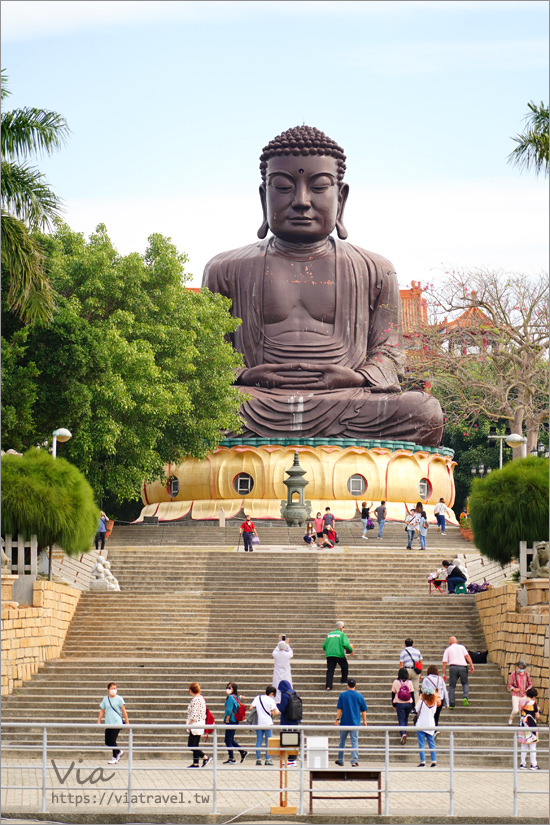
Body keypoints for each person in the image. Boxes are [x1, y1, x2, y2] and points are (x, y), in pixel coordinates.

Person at [202, 126, 444, 446]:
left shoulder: (375, 269)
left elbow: (390, 351)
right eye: (283, 186)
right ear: (264, 197)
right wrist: (244, 375)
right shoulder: (225, 269)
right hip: (255, 402)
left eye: (318, 187)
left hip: (345, 401)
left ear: (340, 198)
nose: (301, 201)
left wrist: (357, 377)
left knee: (424, 411)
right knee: (190, 410)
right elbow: (206, 358)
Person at [335, 677, 367, 767]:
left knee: (342, 741)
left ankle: (341, 760)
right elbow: (363, 710)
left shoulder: (342, 695)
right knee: (354, 741)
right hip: (355, 723)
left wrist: (337, 719)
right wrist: (364, 721)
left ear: (347, 685)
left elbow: (339, 709)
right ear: (356, 685)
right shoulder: (359, 696)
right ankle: (354, 760)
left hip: (344, 722)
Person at [97, 681, 129, 764]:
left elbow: (124, 711)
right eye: (112, 688)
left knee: (112, 740)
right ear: (108, 690)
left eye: (115, 688)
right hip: (108, 722)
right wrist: (99, 720)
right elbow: (102, 710)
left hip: (117, 722)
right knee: (107, 741)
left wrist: (127, 722)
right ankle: (118, 752)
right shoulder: (105, 699)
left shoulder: (119, 699)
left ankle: (115, 757)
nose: (114, 690)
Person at [442, 636, 475, 708]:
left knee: (452, 686)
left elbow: (444, 662)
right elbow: (467, 656)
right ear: (456, 642)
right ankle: (465, 697)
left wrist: (444, 673)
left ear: (449, 643)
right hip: (463, 667)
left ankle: (452, 703)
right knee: (465, 683)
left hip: (453, 667)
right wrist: (472, 665)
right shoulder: (462, 647)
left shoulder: (448, 649)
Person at [250, 685, 279, 766]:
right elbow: (276, 712)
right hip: (268, 723)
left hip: (258, 723)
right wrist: (271, 712)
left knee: (259, 740)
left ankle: (258, 759)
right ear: (272, 693)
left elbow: (251, 707)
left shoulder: (258, 697)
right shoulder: (271, 700)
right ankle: (267, 759)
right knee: (268, 742)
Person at [277, 678, 302, 766]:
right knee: (294, 739)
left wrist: (277, 705)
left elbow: (283, 708)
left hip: (287, 720)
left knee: (288, 739)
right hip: (295, 719)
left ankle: (290, 759)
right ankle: (293, 758)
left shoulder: (285, 695)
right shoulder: (295, 693)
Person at [186, 682, 211, 768]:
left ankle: (205, 757)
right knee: (195, 744)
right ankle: (195, 763)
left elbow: (194, 713)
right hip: (201, 722)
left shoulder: (195, 699)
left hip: (195, 723)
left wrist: (190, 723)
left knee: (191, 744)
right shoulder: (201, 698)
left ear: (190, 690)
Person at [323, 621, 353, 690]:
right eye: (343, 627)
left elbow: (324, 646)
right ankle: (343, 680)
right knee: (344, 666)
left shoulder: (329, 634)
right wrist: (351, 651)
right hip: (339, 654)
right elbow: (346, 645)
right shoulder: (342, 635)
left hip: (330, 655)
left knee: (330, 670)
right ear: (341, 627)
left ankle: (328, 686)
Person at [223, 682, 248, 765]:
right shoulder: (235, 697)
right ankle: (242, 752)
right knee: (229, 739)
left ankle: (232, 758)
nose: (228, 689)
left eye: (229, 688)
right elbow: (237, 701)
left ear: (233, 689)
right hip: (235, 721)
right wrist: (240, 698)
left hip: (230, 720)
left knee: (228, 740)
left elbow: (229, 709)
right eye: (227, 687)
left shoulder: (230, 697)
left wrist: (227, 719)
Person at [415, 683, 437, 767]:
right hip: (431, 725)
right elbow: (434, 712)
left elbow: (416, 709)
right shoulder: (434, 703)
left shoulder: (422, 702)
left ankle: (423, 761)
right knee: (432, 744)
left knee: (421, 744)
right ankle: (433, 761)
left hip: (421, 724)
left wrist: (420, 698)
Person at [422, 665, 448, 737]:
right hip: (440, 699)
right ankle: (435, 729)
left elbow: (423, 689)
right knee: (437, 715)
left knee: (431, 715)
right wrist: (447, 703)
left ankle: (432, 731)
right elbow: (445, 690)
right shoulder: (440, 679)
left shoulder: (426, 679)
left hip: (430, 700)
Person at [391, 667, 415, 745]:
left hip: (399, 703)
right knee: (405, 718)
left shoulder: (395, 682)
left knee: (401, 718)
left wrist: (393, 703)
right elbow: (412, 694)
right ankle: (404, 730)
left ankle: (403, 733)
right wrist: (413, 705)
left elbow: (393, 693)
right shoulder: (410, 682)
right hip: (408, 703)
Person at [518, 688, 540, 771]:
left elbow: (520, 710)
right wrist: (538, 710)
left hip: (522, 725)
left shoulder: (521, 701)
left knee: (523, 746)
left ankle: (522, 764)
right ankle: (533, 764)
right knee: (532, 746)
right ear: (533, 696)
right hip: (531, 725)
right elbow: (537, 716)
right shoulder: (533, 703)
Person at [508, 659, 533, 725]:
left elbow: (530, 684)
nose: (521, 669)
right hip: (516, 694)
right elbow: (509, 684)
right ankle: (511, 718)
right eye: (520, 668)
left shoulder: (527, 674)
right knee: (516, 709)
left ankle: (522, 722)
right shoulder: (514, 674)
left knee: (523, 710)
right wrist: (514, 689)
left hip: (524, 694)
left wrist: (527, 689)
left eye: (523, 668)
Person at [272, 636, 293, 701]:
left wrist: (280, 642)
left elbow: (276, 649)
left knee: (277, 685)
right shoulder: (287, 655)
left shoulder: (275, 654)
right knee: (287, 684)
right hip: (286, 672)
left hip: (277, 672)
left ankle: (277, 699)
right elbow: (290, 651)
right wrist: (286, 644)